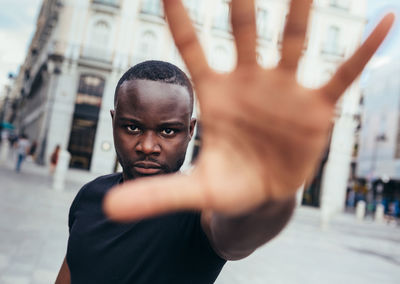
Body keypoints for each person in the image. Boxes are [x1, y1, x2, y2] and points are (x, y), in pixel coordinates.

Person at [56, 0, 394, 283]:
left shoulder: (199, 213)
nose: (147, 145)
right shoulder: (89, 196)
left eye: (167, 131)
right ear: (113, 122)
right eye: (132, 128)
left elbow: (236, 235)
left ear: (191, 130)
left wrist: (267, 195)